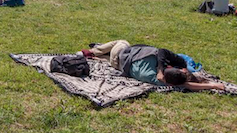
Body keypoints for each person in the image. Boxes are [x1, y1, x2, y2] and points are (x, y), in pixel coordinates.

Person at [80, 41, 225, 91]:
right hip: (116, 65)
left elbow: (161, 51)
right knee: (110, 56)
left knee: (122, 42)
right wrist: (213, 85)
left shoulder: (156, 65)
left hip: (122, 54)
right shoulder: (159, 82)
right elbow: (188, 85)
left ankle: (92, 51)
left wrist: (160, 68)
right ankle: (98, 55)